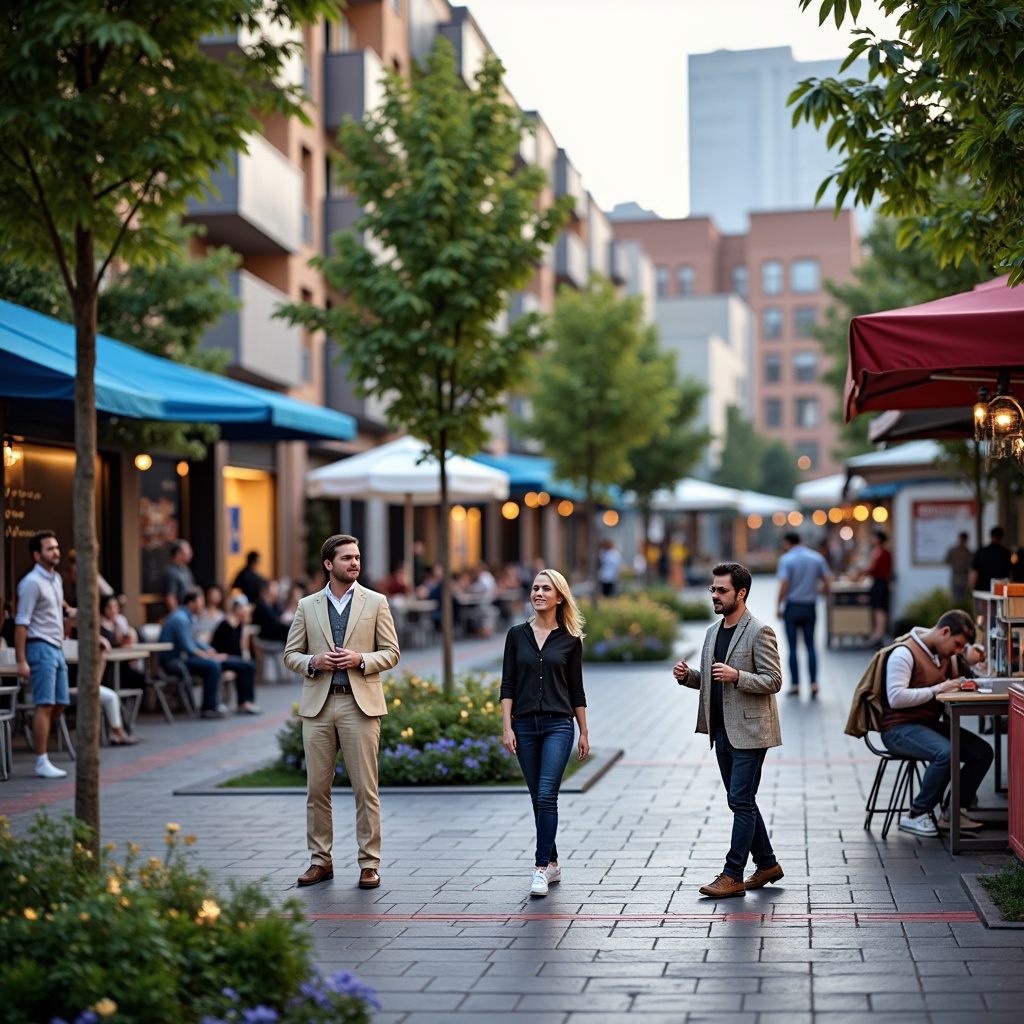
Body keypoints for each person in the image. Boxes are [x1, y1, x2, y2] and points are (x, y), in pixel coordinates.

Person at [284, 534, 401, 890]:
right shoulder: (307, 605)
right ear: (328, 564)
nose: (354, 563)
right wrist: (314, 661)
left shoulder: (376, 601)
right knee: (317, 789)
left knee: (366, 789)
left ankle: (369, 863)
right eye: (347, 558)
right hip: (318, 706)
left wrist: (361, 659)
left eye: (357, 557)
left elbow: (392, 652)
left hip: (359, 705)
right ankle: (321, 861)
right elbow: (291, 654)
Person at [672, 562, 784, 898]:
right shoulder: (711, 632)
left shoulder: (760, 631)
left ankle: (732, 873)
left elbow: (774, 681)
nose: (715, 595)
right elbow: (711, 679)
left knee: (740, 800)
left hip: (750, 733)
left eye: (722, 590)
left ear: (741, 593)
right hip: (720, 731)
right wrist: (688, 676)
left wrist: (739, 677)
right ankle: (766, 863)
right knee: (742, 801)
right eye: (713, 590)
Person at [500, 568, 589, 898]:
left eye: (545, 589)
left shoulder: (570, 641)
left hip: (558, 725)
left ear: (559, 597)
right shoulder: (515, 635)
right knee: (537, 796)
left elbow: (576, 690)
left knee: (546, 795)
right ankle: (552, 861)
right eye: (535, 588)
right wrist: (506, 727)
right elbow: (507, 684)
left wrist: (583, 732)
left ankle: (540, 869)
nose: (538, 593)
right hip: (523, 726)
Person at [879, 609, 993, 837]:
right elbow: (896, 698)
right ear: (945, 632)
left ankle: (953, 813)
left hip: (925, 724)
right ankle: (916, 814)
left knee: (982, 752)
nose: (958, 651)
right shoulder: (904, 654)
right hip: (898, 729)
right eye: (958, 645)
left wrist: (970, 656)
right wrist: (938, 689)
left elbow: (963, 661)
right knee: (946, 753)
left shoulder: (940, 652)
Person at [13, 530, 71, 779]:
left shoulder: (55, 579)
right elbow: (21, 623)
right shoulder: (31, 583)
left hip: (57, 646)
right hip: (40, 646)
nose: (55, 552)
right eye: (50, 548)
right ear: (37, 555)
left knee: (60, 703)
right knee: (45, 704)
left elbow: (61, 608)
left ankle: (35, 727)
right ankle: (41, 760)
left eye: (56, 547)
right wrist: (21, 660)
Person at [159, 588, 260, 717]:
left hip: (185, 658)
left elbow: (194, 641)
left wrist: (208, 650)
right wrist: (210, 656)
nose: (202, 605)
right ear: (191, 604)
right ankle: (209, 707)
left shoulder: (187, 618)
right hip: (175, 661)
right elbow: (188, 647)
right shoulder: (180, 619)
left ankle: (244, 703)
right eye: (200, 602)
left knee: (245, 665)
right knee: (213, 665)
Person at [776, 532, 831, 699]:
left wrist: (778, 605)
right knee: (810, 646)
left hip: (792, 607)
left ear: (787, 542)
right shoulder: (816, 558)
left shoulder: (786, 559)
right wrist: (823, 594)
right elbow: (827, 580)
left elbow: (784, 583)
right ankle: (814, 683)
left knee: (792, 647)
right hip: (810, 607)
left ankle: (795, 685)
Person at [856, 530, 892, 646]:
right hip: (879, 582)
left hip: (880, 582)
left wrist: (861, 574)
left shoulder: (882, 552)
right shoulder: (879, 552)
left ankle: (879, 634)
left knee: (879, 609)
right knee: (878, 609)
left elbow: (873, 569)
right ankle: (878, 633)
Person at [969, 526, 1013, 593]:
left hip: (982, 590)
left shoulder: (981, 552)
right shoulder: (1006, 553)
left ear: (990, 536)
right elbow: (1010, 574)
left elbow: (974, 573)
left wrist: (972, 589)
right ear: (1002, 537)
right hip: (1000, 590)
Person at [162, 540, 196, 614]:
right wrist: (178, 615)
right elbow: (170, 596)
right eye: (188, 550)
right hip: (180, 613)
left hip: (188, 613)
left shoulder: (186, 570)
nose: (190, 553)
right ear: (178, 553)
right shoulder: (172, 572)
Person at [252, 579, 290, 643]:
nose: (278, 590)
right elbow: (274, 623)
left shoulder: (274, 605)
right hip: (266, 641)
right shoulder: (260, 606)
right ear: (267, 590)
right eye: (274, 587)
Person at [945, 532, 973, 601]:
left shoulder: (968, 552)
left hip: (963, 577)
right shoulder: (955, 551)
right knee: (957, 597)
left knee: (961, 598)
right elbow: (947, 561)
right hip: (958, 576)